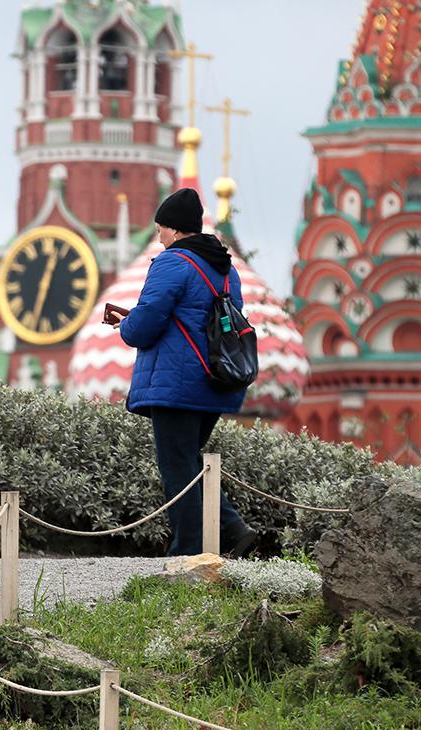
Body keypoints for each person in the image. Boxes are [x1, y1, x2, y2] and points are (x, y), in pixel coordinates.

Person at [110, 189, 257, 557]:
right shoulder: (226, 269)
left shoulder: (172, 262)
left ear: (174, 230)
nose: (158, 236)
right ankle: (233, 529)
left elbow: (145, 324)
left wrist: (125, 327)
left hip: (177, 384)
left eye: (160, 229)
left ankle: (188, 551)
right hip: (217, 379)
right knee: (190, 461)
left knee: (177, 466)